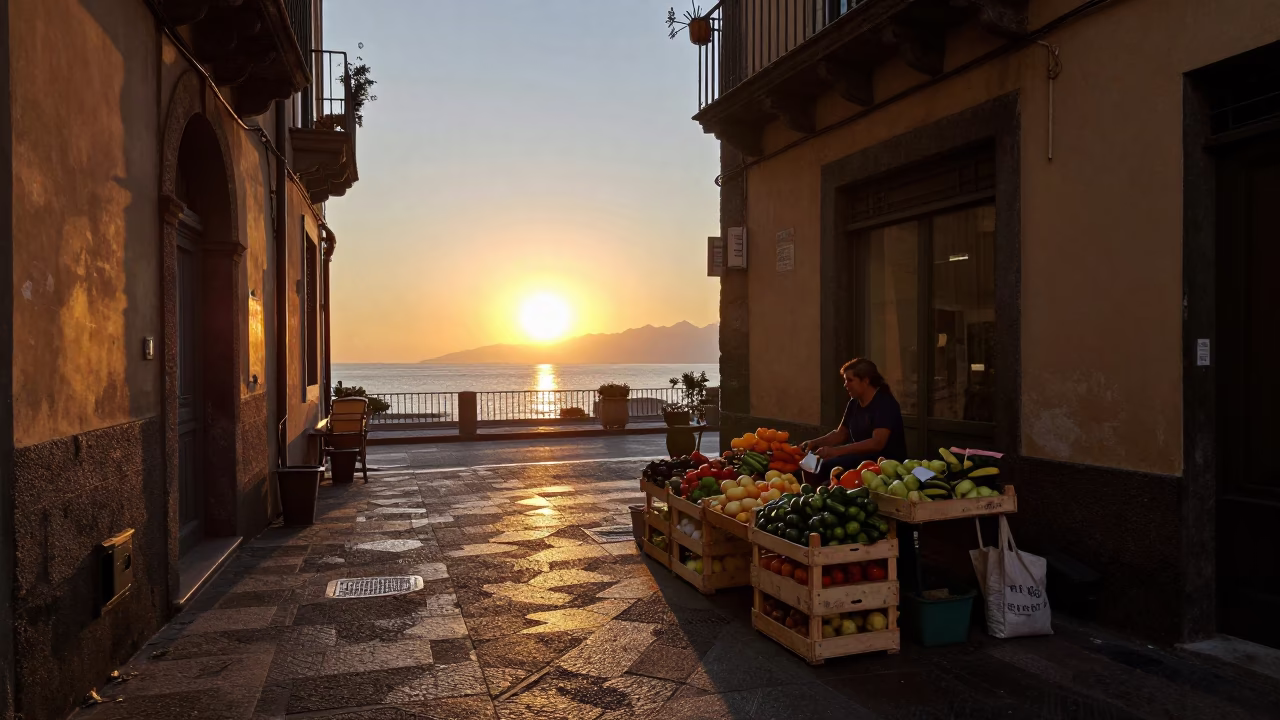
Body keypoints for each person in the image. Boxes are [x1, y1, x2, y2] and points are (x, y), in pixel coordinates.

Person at [800, 358, 907, 483]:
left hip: (883, 462)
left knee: (825, 467)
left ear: (866, 380)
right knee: (808, 465)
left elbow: (877, 443)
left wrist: (836, 451)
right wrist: (814, 443)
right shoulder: (853, 403)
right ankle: (809, 493)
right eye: (845, 380)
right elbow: (840, 434)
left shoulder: (885, 403)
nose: (845, 385)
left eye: (850, 380)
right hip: (858, 457)